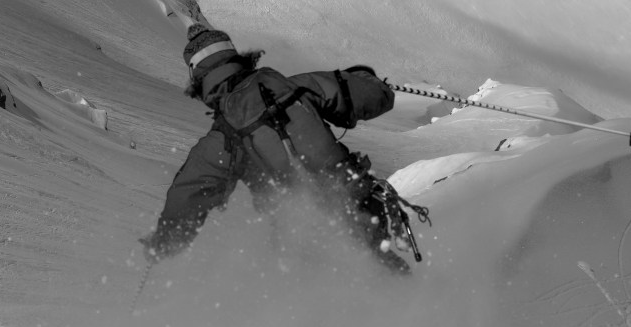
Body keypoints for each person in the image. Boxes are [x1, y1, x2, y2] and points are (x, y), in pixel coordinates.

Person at [139, 24, 421, 274]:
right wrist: (364, 77)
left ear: (200, 81)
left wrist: (163, 244)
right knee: (387, 275)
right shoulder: (296, 87)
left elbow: (189, 192)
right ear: (237, 58)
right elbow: (374, 96)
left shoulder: (224, 135)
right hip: (357, 200)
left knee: (338, 305)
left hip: (301, 235)